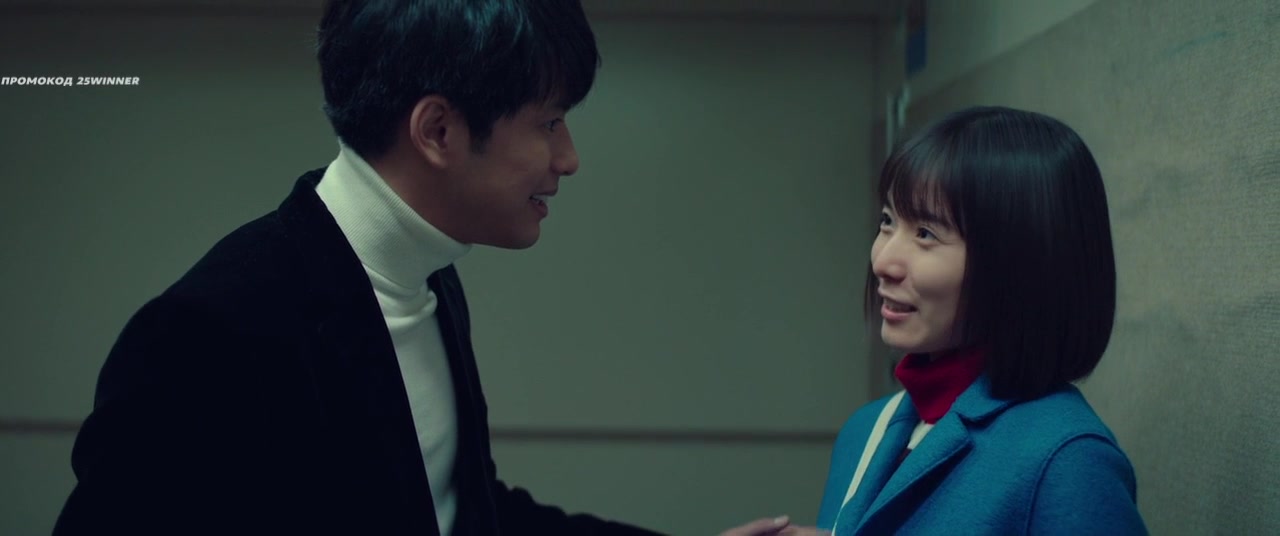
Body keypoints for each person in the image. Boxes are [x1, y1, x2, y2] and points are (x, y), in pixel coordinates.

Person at [50, 1, 789, 534]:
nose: (568, 159)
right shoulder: (212, 330)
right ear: (437, 130)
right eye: (549, 122)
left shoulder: (430, 275)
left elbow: (467, 511)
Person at [814, 106, 1149, 535]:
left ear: (1020, 264)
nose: (883, 261)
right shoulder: (866, 431)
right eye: (887, 221)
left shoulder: (1068, 461)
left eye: (926, 234)